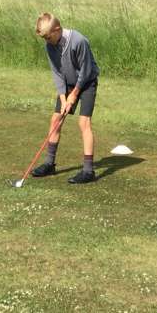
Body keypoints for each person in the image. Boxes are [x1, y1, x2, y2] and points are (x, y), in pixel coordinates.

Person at [32, 12, 100, 184]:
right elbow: (57, 73)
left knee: (83, 122)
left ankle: (88, 171)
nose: (46, 41)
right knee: (56, 119)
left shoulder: (79, 41)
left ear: (57, 30)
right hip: (68, 84)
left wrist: (74, 95)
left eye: (48, 37)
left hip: (87, 82)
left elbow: (85, 72)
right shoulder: (50, 46)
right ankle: (49, 164)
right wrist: (64, 99)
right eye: (44, 38)